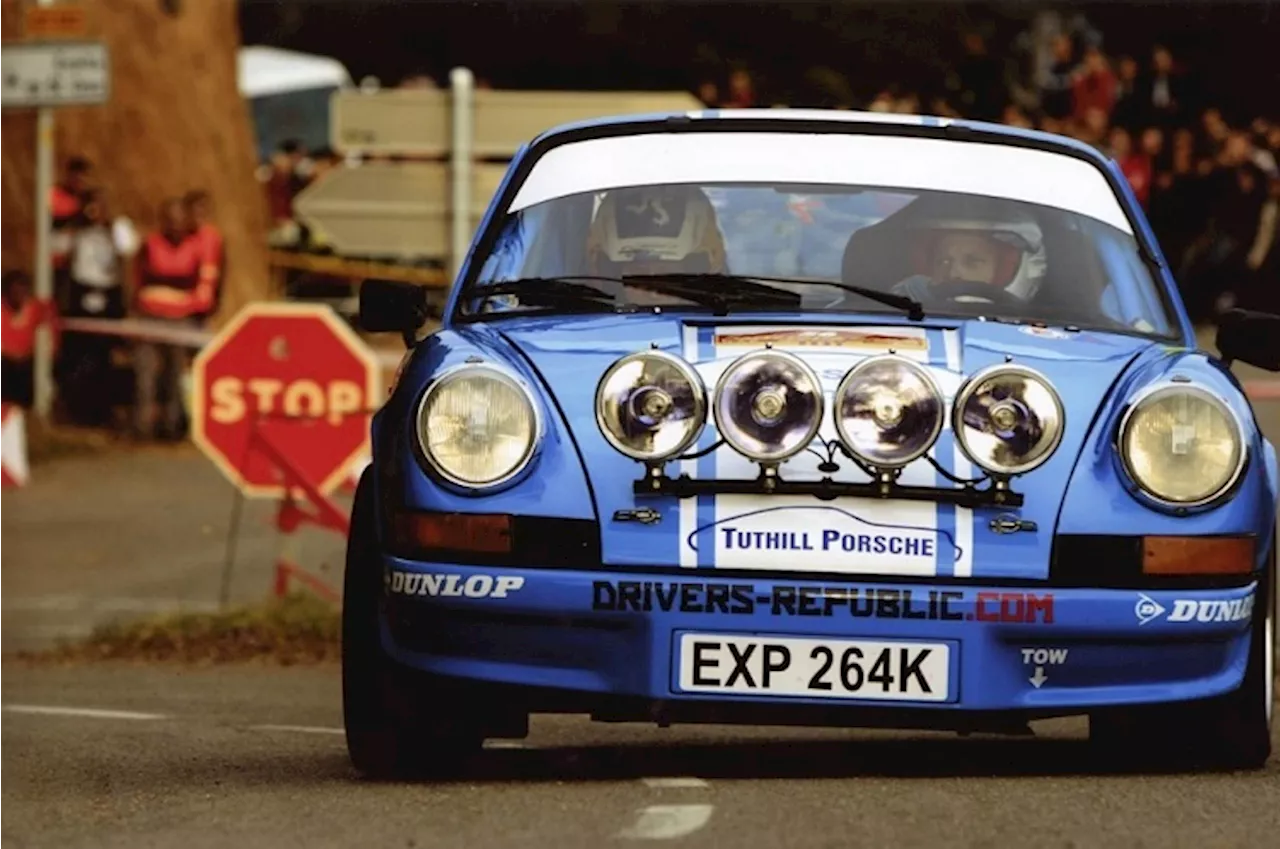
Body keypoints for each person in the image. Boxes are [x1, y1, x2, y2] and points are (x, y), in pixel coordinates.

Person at [131, 199, 209, 439]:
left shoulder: (195, 249)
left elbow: (200, 286)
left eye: (179, 221)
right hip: (150, 318)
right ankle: (143, 425)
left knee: (175, 374)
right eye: (170, 220)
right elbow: (137, 280)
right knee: (145, 374)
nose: (175, 226)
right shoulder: (150, 245)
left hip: (179, 321)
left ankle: (173, 425)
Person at [0, 270, 59, 409]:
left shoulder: (36, 307)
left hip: (26, 365)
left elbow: (51, 319)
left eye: (23, 290)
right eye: (15, 291)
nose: (20, 295)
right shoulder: (2, 309)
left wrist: (51, 349)